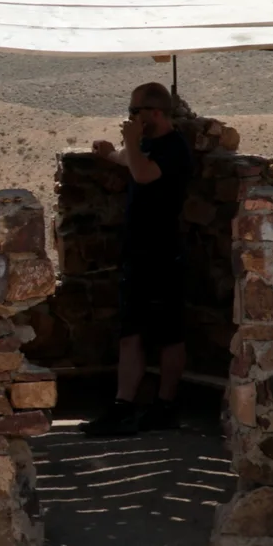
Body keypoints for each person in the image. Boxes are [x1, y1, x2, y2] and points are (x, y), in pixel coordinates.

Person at [82, 81, 193, 437]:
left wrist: (128, 142)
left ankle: (166, 404)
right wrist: (112, 153)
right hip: (138, 251)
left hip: (163, 251)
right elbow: (134, 162)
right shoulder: (147, 145)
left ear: (155, 113)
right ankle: (122, 405)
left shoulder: (175, 148)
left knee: (169, 333)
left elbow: (143, 173)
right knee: (130, 331)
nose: (129, 117)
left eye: (135, 111)